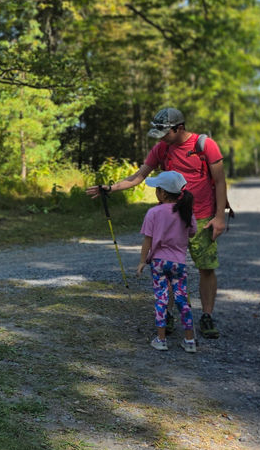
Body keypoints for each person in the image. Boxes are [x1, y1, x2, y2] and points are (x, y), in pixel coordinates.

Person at [87, 108, 228, 339]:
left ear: (179, 128)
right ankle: (169, 314)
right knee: (171, 266)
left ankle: (207, 316)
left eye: (165, 133)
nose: (161, 138)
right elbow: (139, 176)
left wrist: (219, 217)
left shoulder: (204, 145)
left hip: (202, 217)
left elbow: (220, 181)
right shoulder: (161, 148)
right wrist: (110, 188)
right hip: (173, 218)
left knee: (206, 267)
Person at [136, 171, 198, 353]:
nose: (156, 192)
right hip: (179, 263)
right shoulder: (186, 211)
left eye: (157, 189)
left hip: (158, 263)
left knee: (161, 298)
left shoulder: (153, 212)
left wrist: (142, 261)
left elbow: (147, 239)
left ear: (163, 193)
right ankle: (189, 341)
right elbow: (192, 232)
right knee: (181, 299)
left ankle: (161, 339)